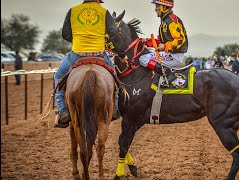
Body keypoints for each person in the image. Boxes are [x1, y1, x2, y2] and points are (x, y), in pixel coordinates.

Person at [54, 0, 125, 128]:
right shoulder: (104, 12)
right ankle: (114, 109)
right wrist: (120, 51)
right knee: (115, 77)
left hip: (77, 55)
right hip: (99, 54)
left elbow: (65, 34)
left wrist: (78, 38)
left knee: (58, 76)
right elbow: (114, 32)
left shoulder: (73, 11)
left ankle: (63, 112)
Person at [139, 0, 188, 86]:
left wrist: (165, 46)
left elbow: (180, 39)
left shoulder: (172, 21)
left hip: (175, 56)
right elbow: (160, 42)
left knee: (143, 59)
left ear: (165, 7)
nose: (155, 9)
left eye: (157, 6)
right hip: (170, 54)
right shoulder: (165, 21)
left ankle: (169, 74)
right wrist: (147, 41)